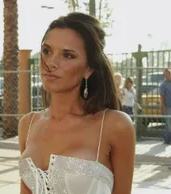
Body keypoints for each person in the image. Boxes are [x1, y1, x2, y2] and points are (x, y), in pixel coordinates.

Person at [18, 12, 135, 194]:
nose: (51, 63)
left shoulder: (114, 125)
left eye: (68, 55)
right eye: (47, 51)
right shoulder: (28, 124)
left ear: (89, 69)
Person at [160, 68, 171, 144]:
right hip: (168, 106)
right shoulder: (163, 84)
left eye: (168, 74)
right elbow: (162, 96)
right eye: (165, 75)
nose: (166, 76)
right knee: (168, 124)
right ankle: (167, 140)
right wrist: (163, 107)